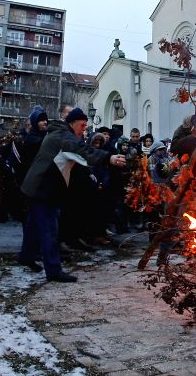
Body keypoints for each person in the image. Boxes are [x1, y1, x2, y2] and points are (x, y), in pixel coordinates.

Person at [18, 107, 126, 283]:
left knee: (33, 226)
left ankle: (26, 256)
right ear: (72, 123)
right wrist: (109, 158)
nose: (84, 129)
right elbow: (80, 149)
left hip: (38, 186)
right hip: (44, 189)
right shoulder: (62, 135)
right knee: (49, 230)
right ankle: (53, 270)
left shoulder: (60, 132)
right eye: (82, 125)